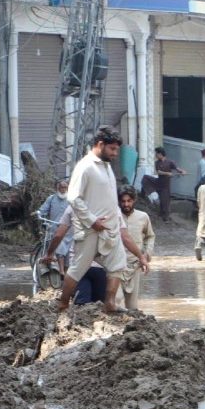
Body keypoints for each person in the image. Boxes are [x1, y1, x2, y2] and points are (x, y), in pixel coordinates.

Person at [47, 126, 134, 314]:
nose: (115, 153)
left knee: (118, 264)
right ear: (100, 145)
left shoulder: (107, 167)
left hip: (109, 228)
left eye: (117, 149)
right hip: (90, 229)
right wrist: (91, 220)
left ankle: (109, 303)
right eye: (112, 149)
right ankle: (63, 303)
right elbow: (73, 197)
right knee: (78, 268)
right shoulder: (85, 166)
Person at [117, 187, 155, 311]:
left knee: (132, 307)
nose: (126, 204)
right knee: (116, 300)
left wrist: (146, 254)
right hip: (116, 266)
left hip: (135, 265)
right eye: (123, 201)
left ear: (134, 201)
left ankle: (131, 328)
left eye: (129, 201)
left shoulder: (143, 217)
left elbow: (150, 236)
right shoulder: (114, 217)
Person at [146, 147, 183, 222]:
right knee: (146, 178)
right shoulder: (157, 163)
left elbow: (177, 168)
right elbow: (159, 172)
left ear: (160, 154)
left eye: (156, 153)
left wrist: (182, 171)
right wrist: (167, 173)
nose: (155, 155)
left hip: (166, 186)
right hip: (158, 182)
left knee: (165, 200)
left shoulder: (170, 162)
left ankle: (165, 217)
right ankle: (161, 214)